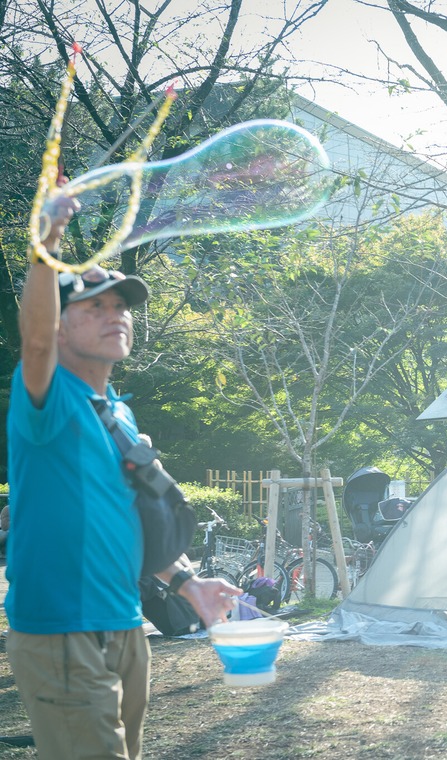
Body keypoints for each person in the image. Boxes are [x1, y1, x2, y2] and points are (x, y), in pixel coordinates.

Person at [5, 203, 240, 760]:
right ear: (59, 325)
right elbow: (35, 343)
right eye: (95, 306)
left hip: (128, 626)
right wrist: (49, 244)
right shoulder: (49, 399)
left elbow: (132, 519)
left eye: (121, 306)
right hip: (61, 629)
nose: (116, 314)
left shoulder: (119, 413)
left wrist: (187, 584)